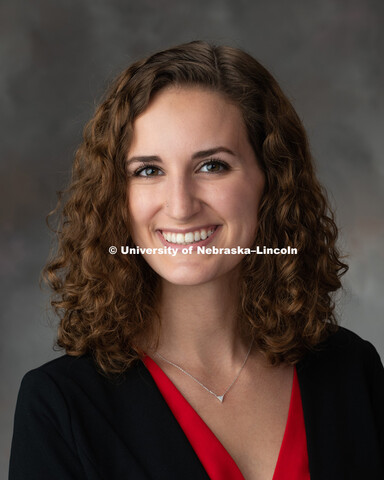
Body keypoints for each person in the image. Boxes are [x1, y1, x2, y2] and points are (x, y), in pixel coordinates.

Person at [9, 41, 384, 480]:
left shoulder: (351, 369)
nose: (181, 205)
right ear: (116, 196)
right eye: (148, 170)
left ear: (272, 179)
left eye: (212, 166)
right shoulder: (61, 403)